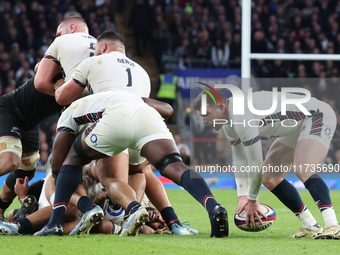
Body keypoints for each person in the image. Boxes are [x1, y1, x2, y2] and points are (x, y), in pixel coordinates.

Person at [34, 32, 228, 237]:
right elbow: (154, 105)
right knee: (166, 167)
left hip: (112, 116)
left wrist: (57, 83)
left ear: (103, 48)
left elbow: (62, 97)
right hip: (145, 113)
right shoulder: (142, 71)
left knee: (76, 163)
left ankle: (57, 223)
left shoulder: (93, 63)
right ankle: (211, 207)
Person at [192, 88, 340, 239]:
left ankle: (333, 225)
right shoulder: (229, 121)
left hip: (315, 115)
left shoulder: (240, 116)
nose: (204, 121)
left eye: (206, 114)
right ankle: (310, 225)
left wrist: (252, 199)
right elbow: (240, 159)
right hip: (295, 126)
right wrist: (242, 197)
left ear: (221, 107)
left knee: (302, 168)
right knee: (270, 177)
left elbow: (256, 164)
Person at [0, 16, 96, 221]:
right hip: (12, 110)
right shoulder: (94, 51)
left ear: (72, 28)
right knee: (10, 162)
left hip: (31, 121)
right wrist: (64, 90)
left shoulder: (67, 46)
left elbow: (40, 73)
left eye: (58, 34)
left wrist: (63, 86)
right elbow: (39, 80)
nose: (57, 38)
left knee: (24, 174)